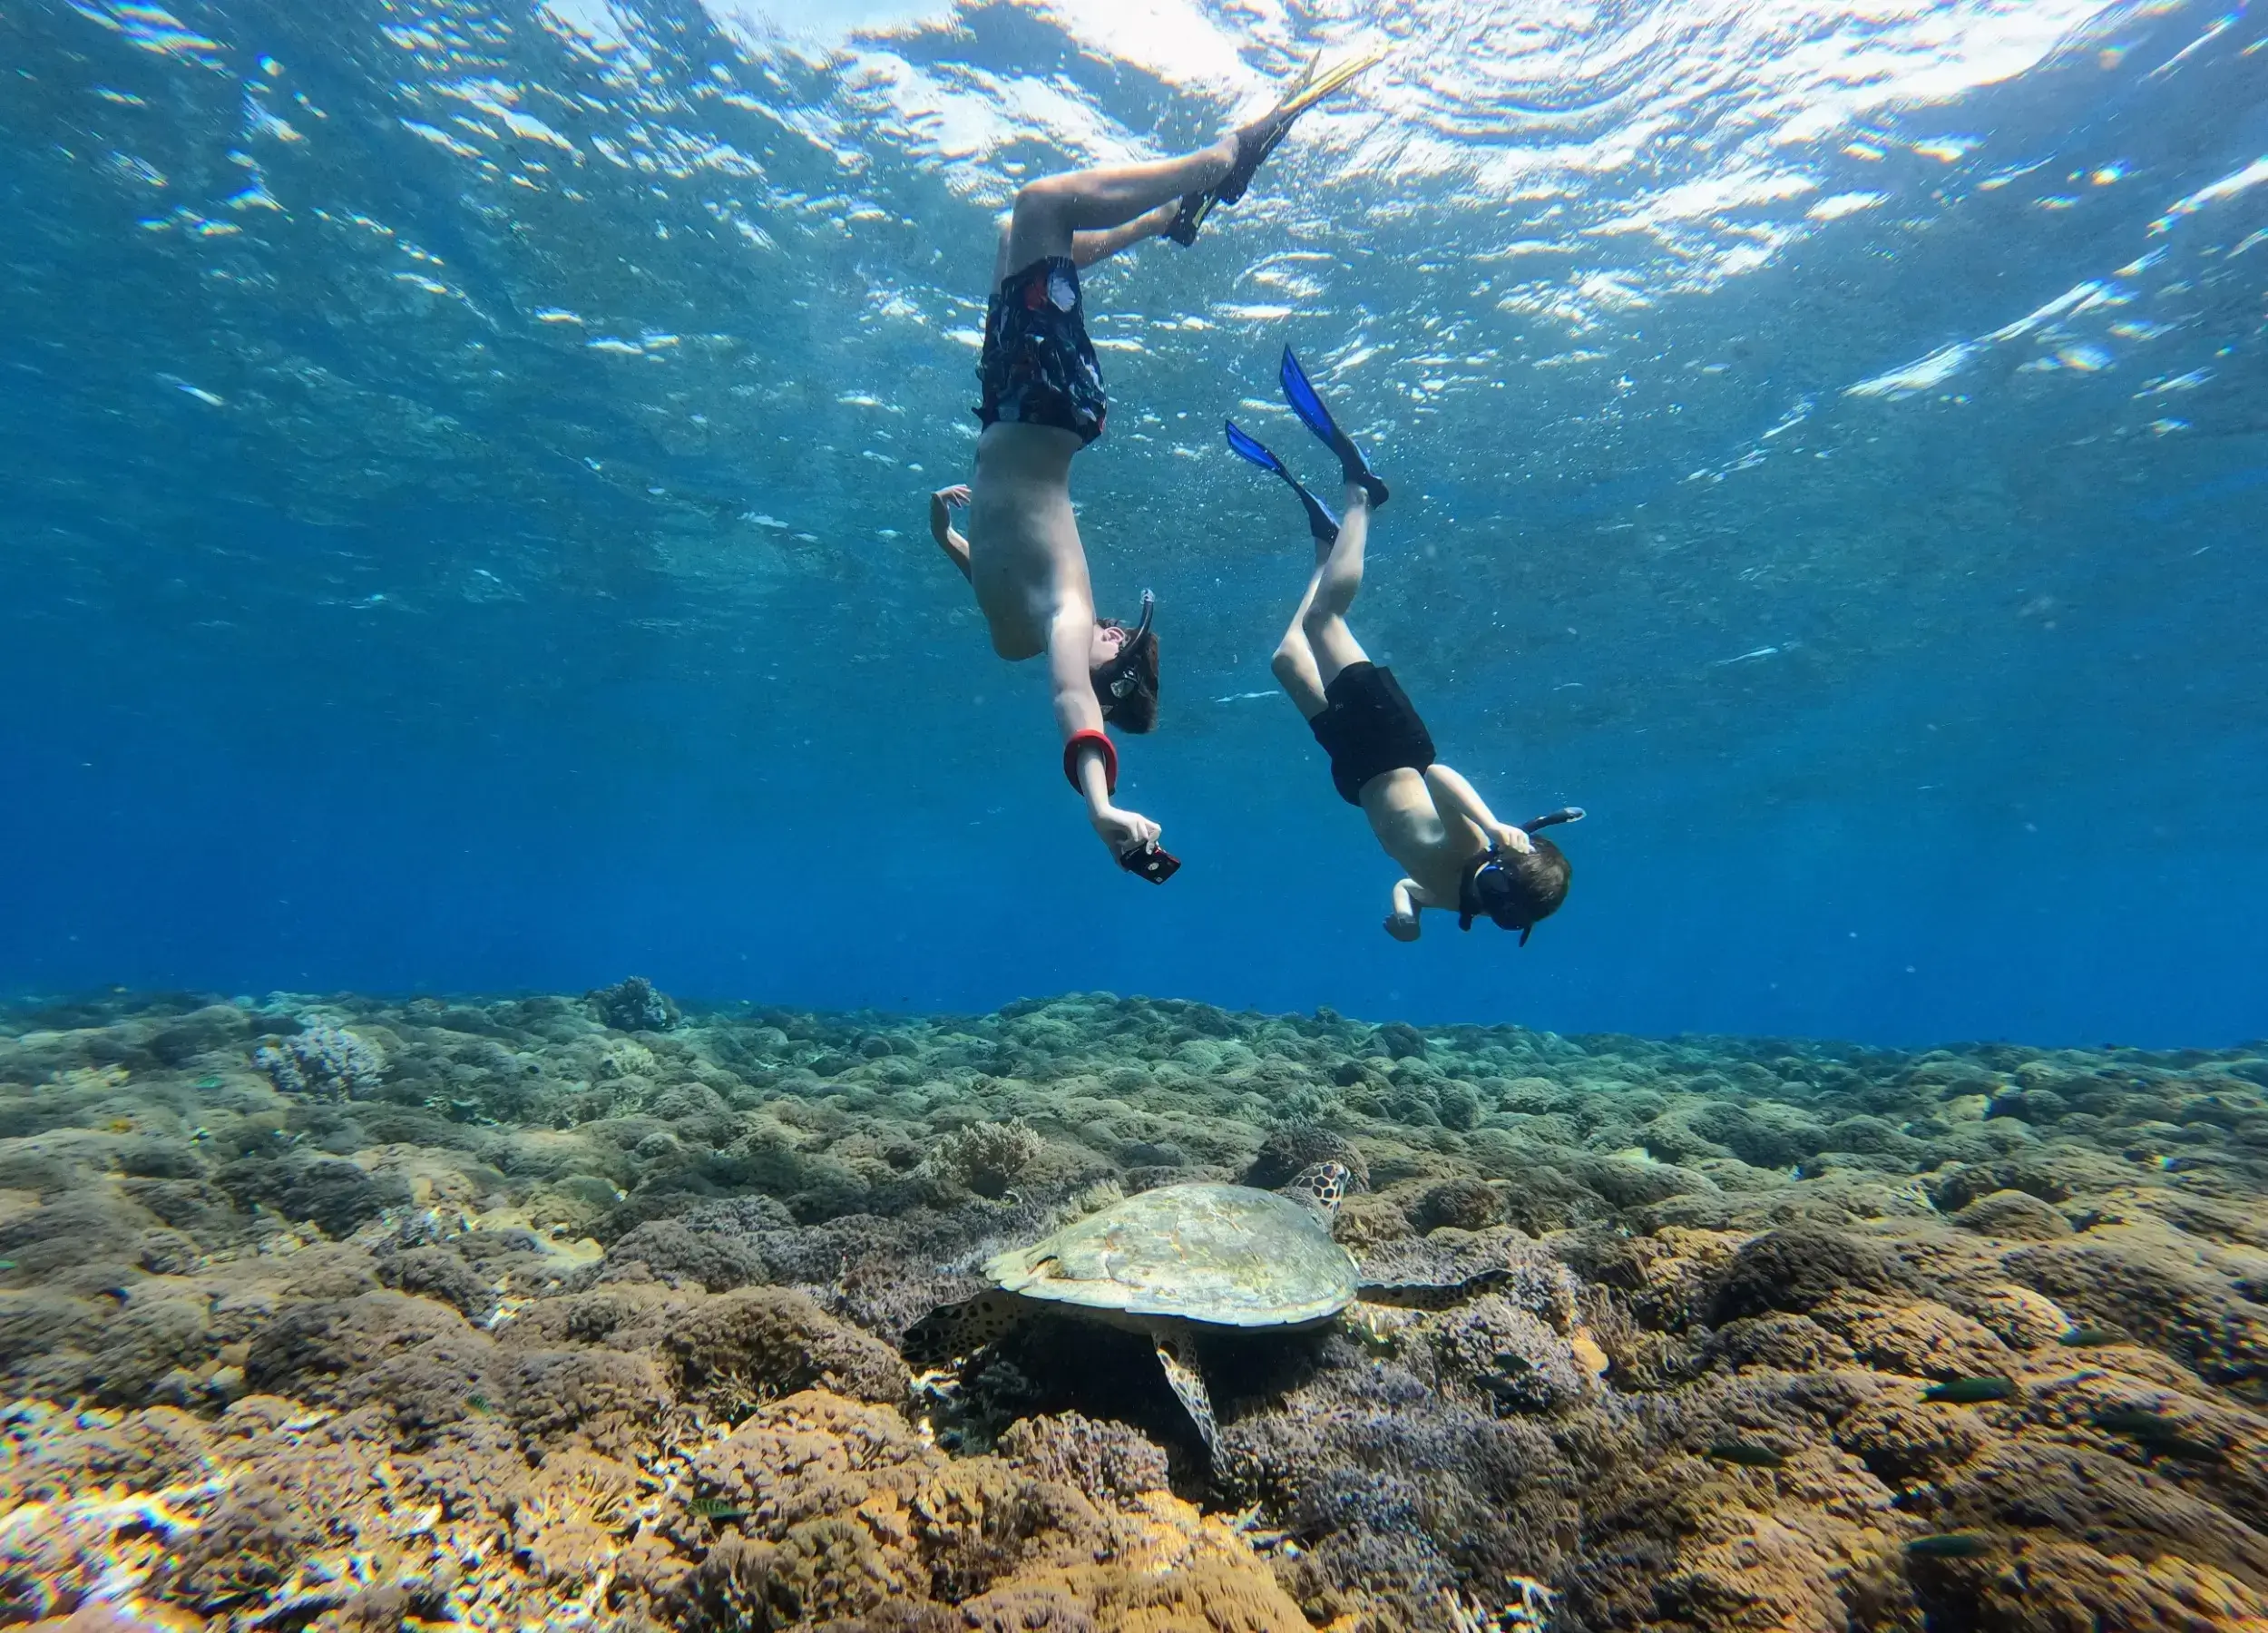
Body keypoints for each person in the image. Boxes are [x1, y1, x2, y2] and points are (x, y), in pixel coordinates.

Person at [924, 54, 1379, 878]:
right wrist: (1100, 804)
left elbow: (992, 580)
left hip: (1005, 402)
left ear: (1106, 676)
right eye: (1121, 635)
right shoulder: (1064, 615)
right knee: (1043, 207)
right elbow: (1073, 698)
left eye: (1116, 646)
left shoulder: (1023, 635)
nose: (1109, 632)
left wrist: (941, 534)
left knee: (1017, 234)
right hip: (1050, 404)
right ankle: (1220, 160)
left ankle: (1166, 218)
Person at [1227, 347, 1582, 940]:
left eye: (1500, 915)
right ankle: (1362, 493)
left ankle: (1327, 547)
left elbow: (1410, 884)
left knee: (1287, 662)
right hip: (1391, 745)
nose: (1488, 901)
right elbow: (1438, 776)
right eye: (1499, 894)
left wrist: (1407, 913)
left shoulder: (1453, 898)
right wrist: (1492, 826)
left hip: (1357, 769)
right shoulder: (1477, 844)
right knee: (1323, 627)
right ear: (1501, 866)